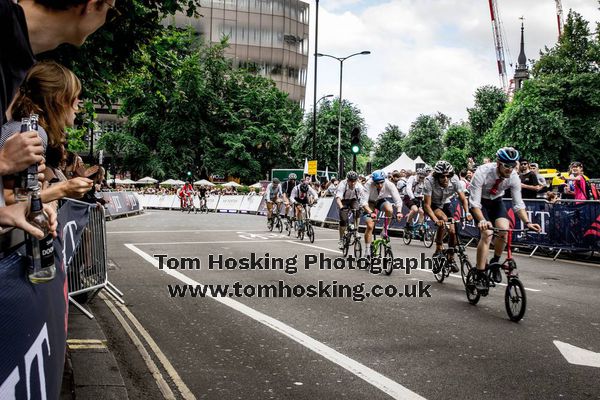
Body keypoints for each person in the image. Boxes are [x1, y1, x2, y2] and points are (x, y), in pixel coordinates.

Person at [1, 61, 93, 205]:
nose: (79, 104)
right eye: (75, 97)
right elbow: (11, 201)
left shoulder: (25, 126)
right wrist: (62, 189)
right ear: (60, 99)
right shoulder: (33, 133)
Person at [469, 147, 541, 290]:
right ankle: (480, 272)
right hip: (480, 203)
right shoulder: (482, 172)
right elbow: (475, 203)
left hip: (496, 201)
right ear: (498, 163)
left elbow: (518, 204)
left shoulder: (513, 176)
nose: (510, 169)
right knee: (487, 234)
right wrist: (482, 220)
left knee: (504, 230)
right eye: (506, 165)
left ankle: (495, 263)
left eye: (513, 165)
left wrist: (528, 222)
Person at [423, 161, 472, 271]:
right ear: (437, 176)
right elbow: (426, 205)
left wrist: (467, 213)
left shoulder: (454, 179)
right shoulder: (429, 181)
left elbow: (463, 198)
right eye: (442, 176)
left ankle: (451, 257)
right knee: (443, 220)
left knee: (452, 230)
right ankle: (438, 247)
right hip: (432, 204)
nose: (445, 179)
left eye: (448, 176)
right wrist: (435, 220)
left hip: (445, 202)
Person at [360, 170, 403, 257]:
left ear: (384, 180)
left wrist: (399, 212)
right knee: (370, 226)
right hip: (369, 203)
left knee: (390, 210)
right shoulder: (368, 184)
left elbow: (398, 200)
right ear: (373, 181)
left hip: (380, 200)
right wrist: (371, 212)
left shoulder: (389, 184)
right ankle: (367, 250)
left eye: (381, 182)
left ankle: (384, 230)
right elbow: (363, 203)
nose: (379, 185)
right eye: (377, 183)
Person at [335, 171, 365, 249]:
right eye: (351, 181)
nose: (352, 183)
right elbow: (338, 198)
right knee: (343, 220)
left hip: (353, 200)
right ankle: (341, 239)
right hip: (343, 201)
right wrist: (341, 207)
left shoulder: (358, 185)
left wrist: (363, 206)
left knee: (357, 210)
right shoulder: (342, 184)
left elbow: (363, 196)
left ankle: (356, 230)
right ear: (347, 180)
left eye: (354, 181)